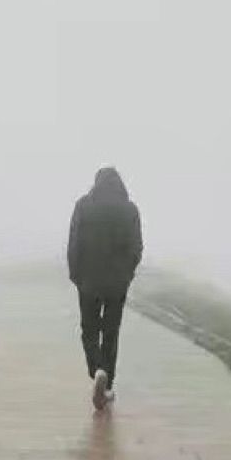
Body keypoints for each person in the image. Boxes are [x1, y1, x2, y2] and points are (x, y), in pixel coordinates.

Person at [67, 166, 143, 410]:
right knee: (111, 332)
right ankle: (107, 384)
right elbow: (136, 247)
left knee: (89, 330)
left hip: (88, 280)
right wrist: (127, 274)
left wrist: (75, 274)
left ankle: (97, 369)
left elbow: (74, 242)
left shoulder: (84, 206)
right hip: (117, 283)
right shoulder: (130, 210)